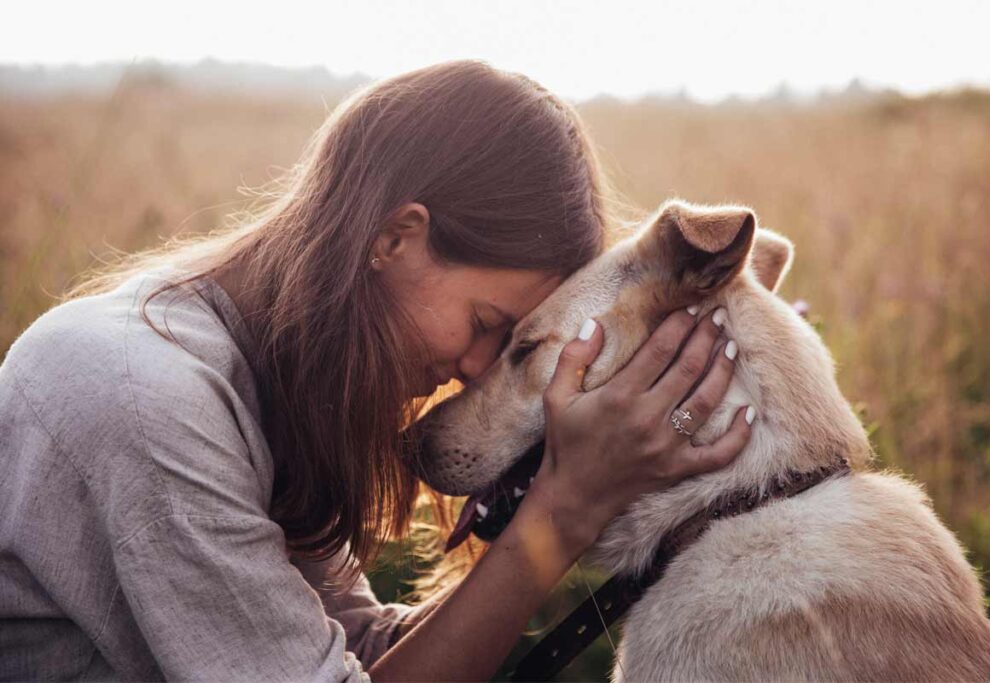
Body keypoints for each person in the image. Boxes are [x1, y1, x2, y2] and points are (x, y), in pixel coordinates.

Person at [0, 60, 752, 681]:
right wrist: (566, 507)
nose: (474, 369)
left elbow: (359, 655)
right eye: (487, 325)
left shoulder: (264, 379)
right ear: (397, 236)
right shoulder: (145, 401)